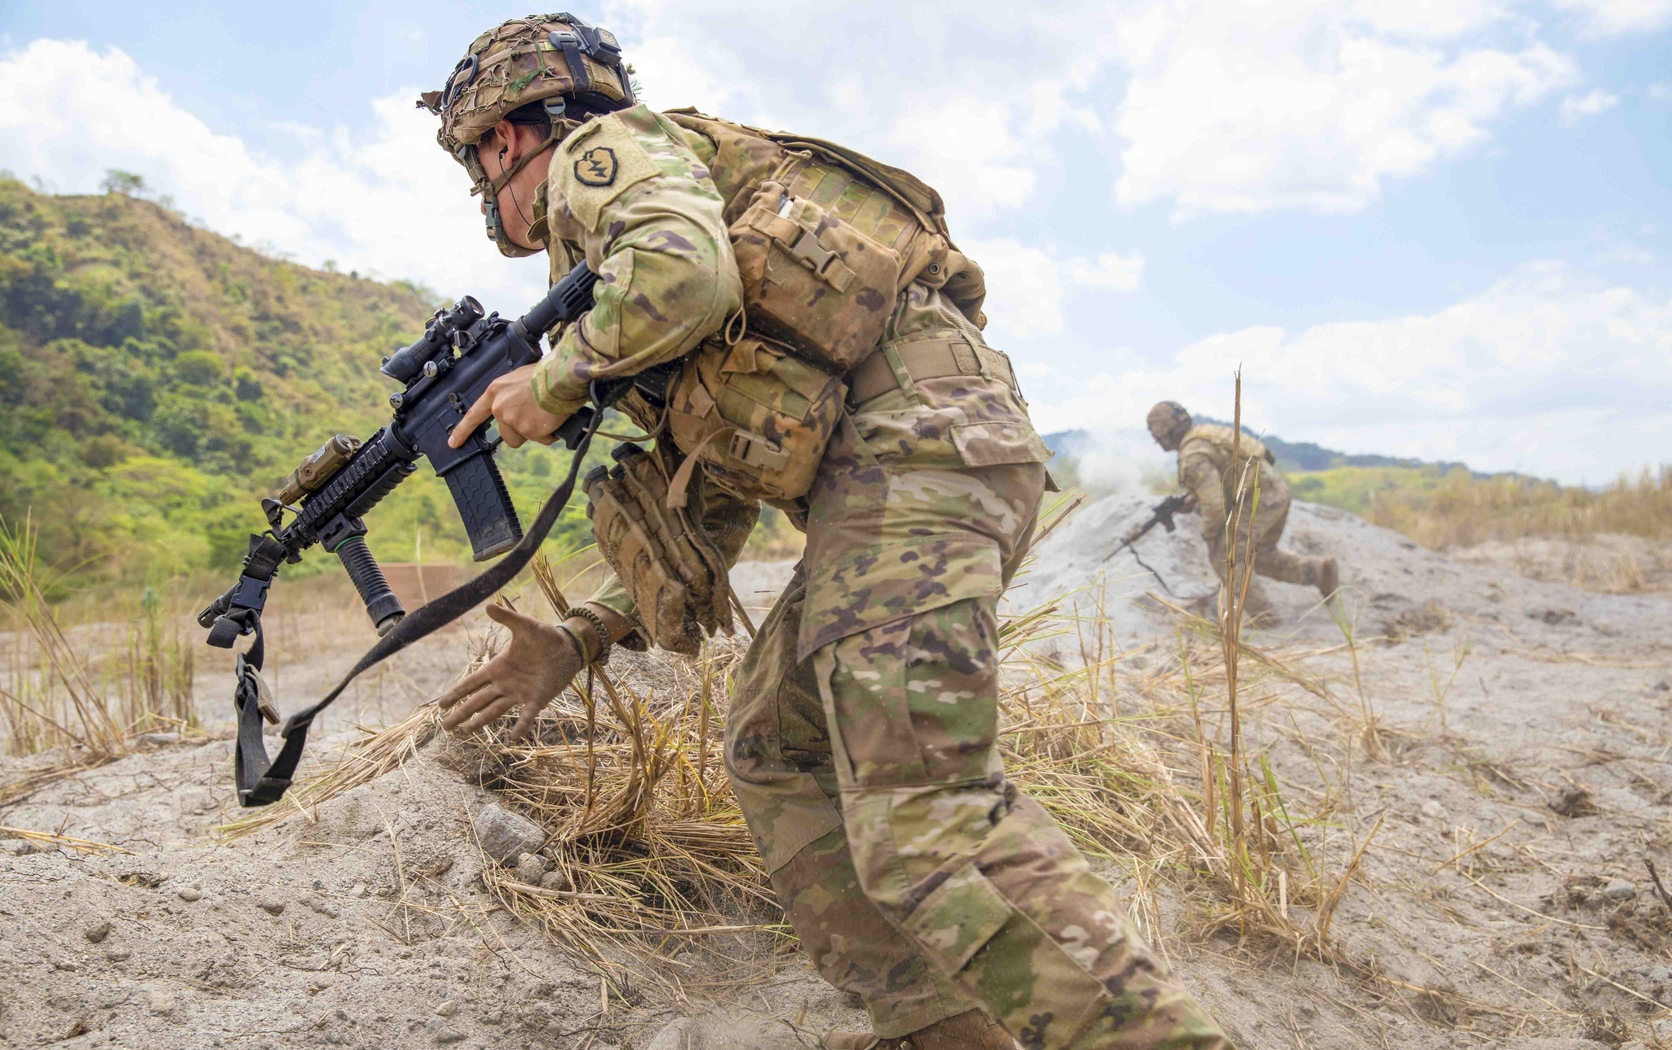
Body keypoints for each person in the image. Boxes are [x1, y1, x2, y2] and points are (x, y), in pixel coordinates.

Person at [426, 15, 1232, 1049]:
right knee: (774, 744)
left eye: (483, 167)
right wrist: (582, 635)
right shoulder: (629, 256)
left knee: (924, 815)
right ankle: (942, 1027)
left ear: (504, 141)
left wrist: (554, 377)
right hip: (915, 469)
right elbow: (703, 501)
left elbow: (689, 276)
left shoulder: (601, 158)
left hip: (911, 461)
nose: (492, 198)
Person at [1145, 401, 1338, 625]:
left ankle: (1265, 619)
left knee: (1226, 557)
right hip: (1273, 493)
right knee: (1259, 555)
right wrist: (1193, 501)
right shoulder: (1205, 435)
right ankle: (1318, 572)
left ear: (1163, 433)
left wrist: (1212, 538)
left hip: (1256, 500)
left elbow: (1215, 507)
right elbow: (1227, 476)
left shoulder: (1192, 456)